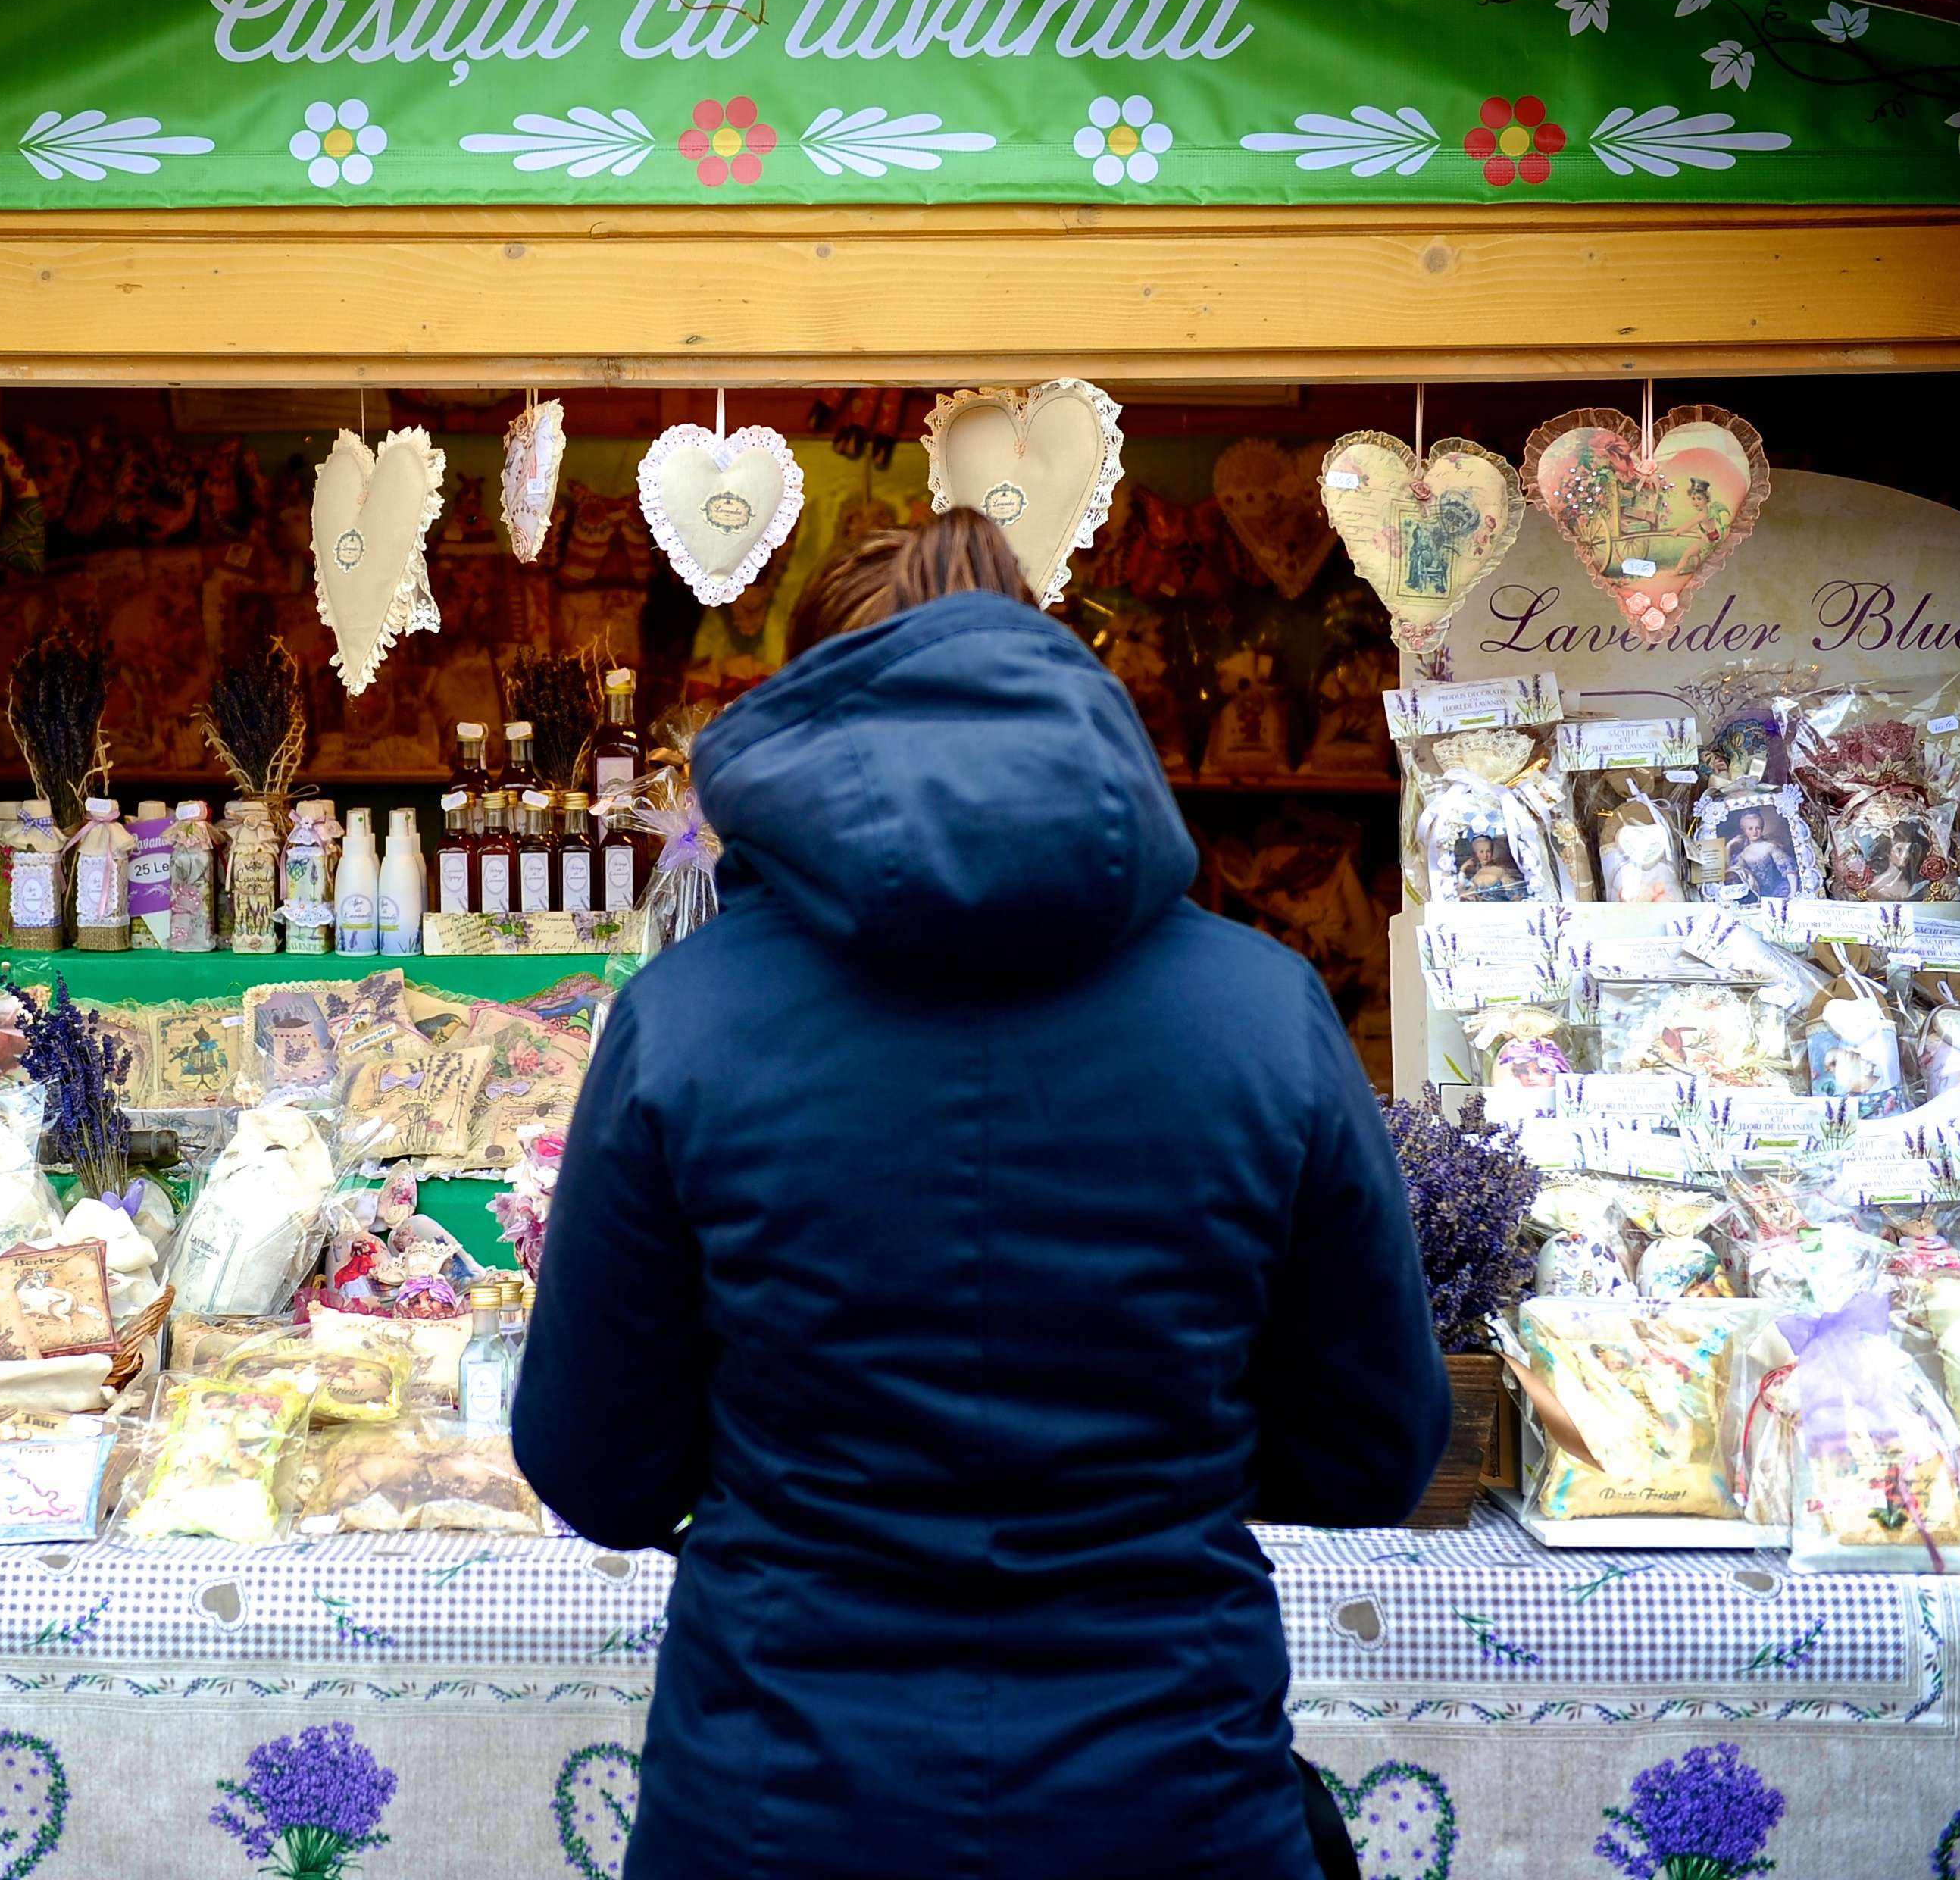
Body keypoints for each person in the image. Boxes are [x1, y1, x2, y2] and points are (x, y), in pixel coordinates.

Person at [513, 508, 1447, 1880]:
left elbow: (598, 1467)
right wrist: (1146, 1435)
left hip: (784, 1803)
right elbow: (1375, 1453)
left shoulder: (686, 1022)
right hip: (1168, 1799)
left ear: (806, 725)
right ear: (1063, 687)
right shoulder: (1265, 1012)